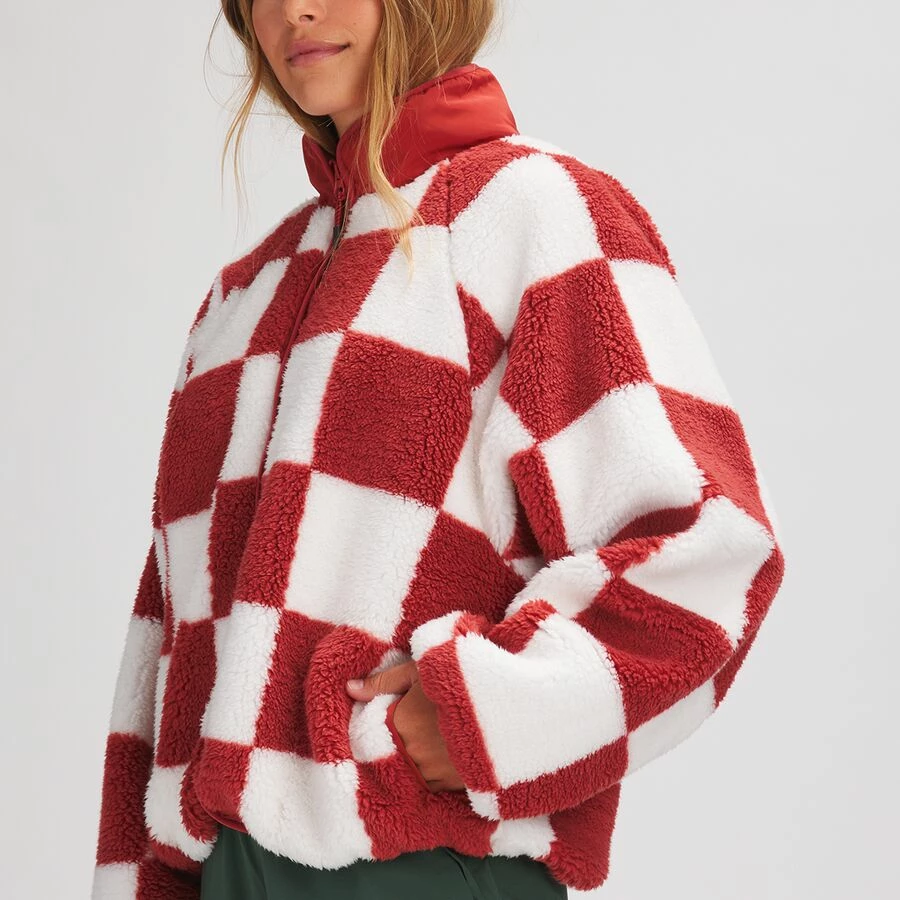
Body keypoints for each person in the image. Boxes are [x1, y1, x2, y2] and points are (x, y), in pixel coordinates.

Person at [90, 1, 787, 898]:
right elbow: (163, 653)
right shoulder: (243, 298)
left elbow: (709, 549)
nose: (296, 11)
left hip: (420, 865)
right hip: (224, 869)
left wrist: (482, 716)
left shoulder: (535, 210)